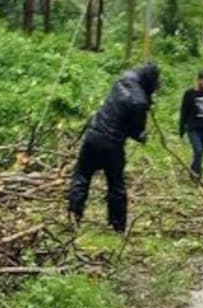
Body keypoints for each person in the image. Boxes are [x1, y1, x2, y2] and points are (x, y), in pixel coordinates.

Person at [67, 62, 160, 232]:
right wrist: (143, 136)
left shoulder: (121, 81)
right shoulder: (139, 101)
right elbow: (136, 131)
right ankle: (117, 226)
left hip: (93, 136)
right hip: (112, 145)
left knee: (81, 177)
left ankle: (73, 216)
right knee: (116, 185)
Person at [178, 70, 203, 179]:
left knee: (200, 153)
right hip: (192, 127)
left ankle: (193, 171)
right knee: (198, 150)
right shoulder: (189, 93)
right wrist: (181, 129)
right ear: (199, 80)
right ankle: (197, 175)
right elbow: (184, 111)